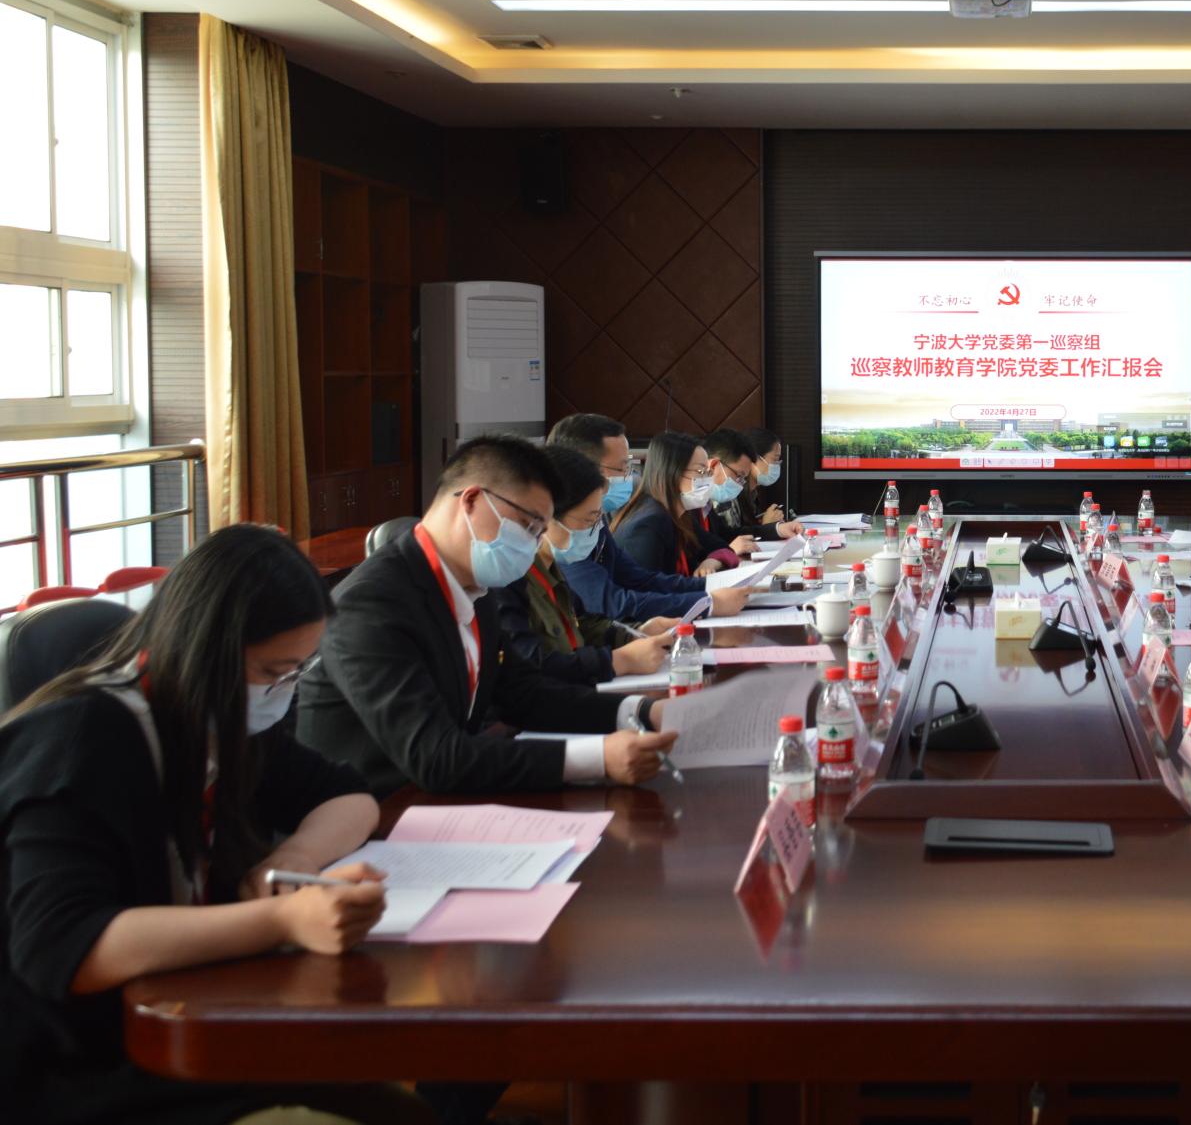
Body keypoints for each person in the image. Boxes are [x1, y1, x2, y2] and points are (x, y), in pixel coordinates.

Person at [0, 524, 432, 1125]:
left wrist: (298, 857)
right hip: (79, 1068)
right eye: (272, 672)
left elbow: (348, 796)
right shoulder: (84, 738)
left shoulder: (219, 719)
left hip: (197, 1019)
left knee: (396, 1107)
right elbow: (62, 946)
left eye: (295, 673)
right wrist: (280, 919)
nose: (282, 693)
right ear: (204, 650)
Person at [296, 435, 683, 797]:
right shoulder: (371, 606)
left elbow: (524, 694)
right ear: (472, 500)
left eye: (540, 532)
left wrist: (642, 712)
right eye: (528, 526)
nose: (532, 545)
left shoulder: (476, 587)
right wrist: (596, 758)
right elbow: (436, 756)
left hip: (442, 803)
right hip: (373, 813)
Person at [491, 444, 677, 689]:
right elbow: (530, 663)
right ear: (548, 516)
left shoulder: (552, 567)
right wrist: (619, 661)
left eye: (599, 518)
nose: (597, 528)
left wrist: (637, 631)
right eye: (590, 519)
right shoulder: (508, 580)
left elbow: (584, 624)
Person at [544, 413, 717, 621]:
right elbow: (612, 604)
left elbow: (640, 580)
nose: (629, 476)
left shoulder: (596, 521)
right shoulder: (564, 535)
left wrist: (715, 586)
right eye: (621, 468)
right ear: (582, 468)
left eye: (629, 467)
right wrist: (708, 603)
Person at [615, 431, 746, 579]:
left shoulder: (681, 515)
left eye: (708, 472)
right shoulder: (648, 524)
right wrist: (706, 587)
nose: (708, 479)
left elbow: (723, 547)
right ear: (672, 472)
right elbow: (651, 589)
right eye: (701, 471)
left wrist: (712, 561)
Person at [708, 427, 802, 543]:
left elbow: (728, 534)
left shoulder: (750, 493)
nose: (740, 483)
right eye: (775, 459)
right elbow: (727, 540)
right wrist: (766, 525)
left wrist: (776, 529)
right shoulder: (720, 497)